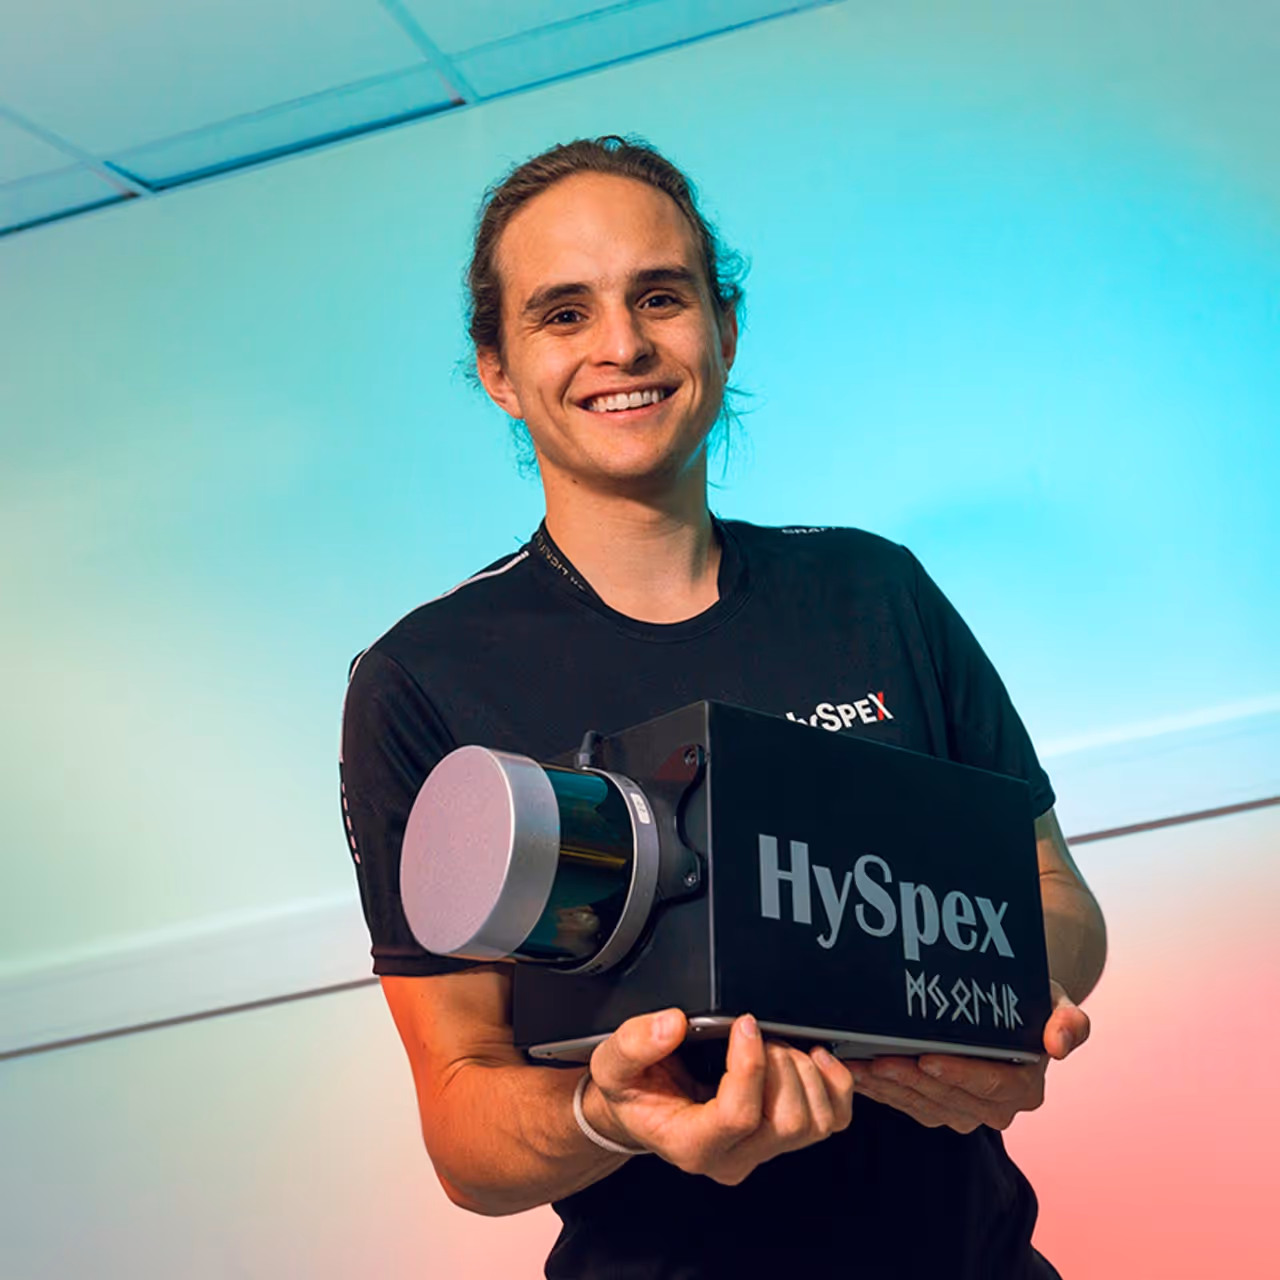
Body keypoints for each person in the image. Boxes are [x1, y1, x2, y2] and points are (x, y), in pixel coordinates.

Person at [338, 136, 1107, 1279]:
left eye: (659, 295)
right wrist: (609, 1114)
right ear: (496, 368)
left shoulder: (871, 588)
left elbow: (1057, 906)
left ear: (722, 325)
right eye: (561, 313)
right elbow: (463, 1116)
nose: (621, 346)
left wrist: (969, 1004)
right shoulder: (425, 679)